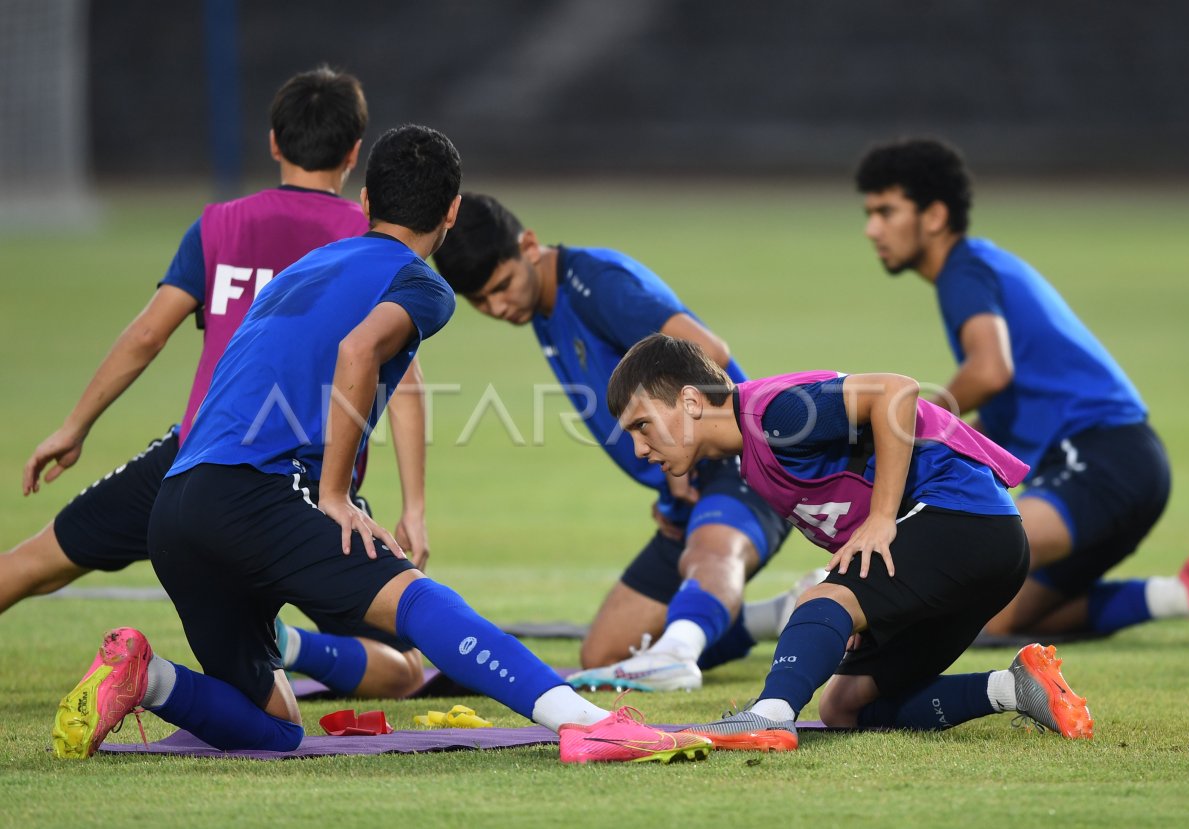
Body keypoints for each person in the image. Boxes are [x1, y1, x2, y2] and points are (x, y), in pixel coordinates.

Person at [50, 125, 712, 766]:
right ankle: (587, 722)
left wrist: (406, 499)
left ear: (365, 202)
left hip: (178, 504)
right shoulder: (422, 283)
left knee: (277, 728)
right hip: (257, 493)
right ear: (451, 212)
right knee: (416, 599)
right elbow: (358, 350)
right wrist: (334, 493)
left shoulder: (307, 268)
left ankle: (148, 675)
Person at [4, 66, 431, 700]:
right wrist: (414, 506)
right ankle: (292, 647)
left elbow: (148, 336)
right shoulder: (369, 241)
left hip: (194, 462)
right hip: (307, 482)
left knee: (36, 564)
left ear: (273, 144)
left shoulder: (219, 224)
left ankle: (268, 651)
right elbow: (404, 383)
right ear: (352, 155)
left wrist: (75, 427)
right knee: (405, 664)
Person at [605, 333, 1095, 750]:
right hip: (977, 544)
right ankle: (1016, 688)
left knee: (821, 597)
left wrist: (882, 521)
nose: (639, 449)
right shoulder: (750, 454)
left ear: (691, 401)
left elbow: (896, 393)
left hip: (967, 520)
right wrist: (865, 606)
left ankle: (771, 715)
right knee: (845, 705)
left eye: (642, 426)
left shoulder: (773, 413)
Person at [432, 193, 794, 692]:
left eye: (502, 286)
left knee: (710, 556)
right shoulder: (541, 304)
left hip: (739, 461)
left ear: (530, 245)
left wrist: (684, 465)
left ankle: (679, 654)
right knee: (604, 653)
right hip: (685, 484)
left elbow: (709, 351)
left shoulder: (597, 285)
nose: (497, 306)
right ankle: (786, 612)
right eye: (480, 301)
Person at [854, 137, 1189, 637]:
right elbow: (1002, 408)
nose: (871, 229)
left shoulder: (963, 270)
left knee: (947, 560)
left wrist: (906, 422)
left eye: (886, 211)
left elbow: (990, 371)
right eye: (869, 213)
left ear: (933, 217)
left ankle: (816, 604)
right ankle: (1179, 594)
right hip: (1127, 467)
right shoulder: (982, 267)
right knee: (995, 624)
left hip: (1101, 460)